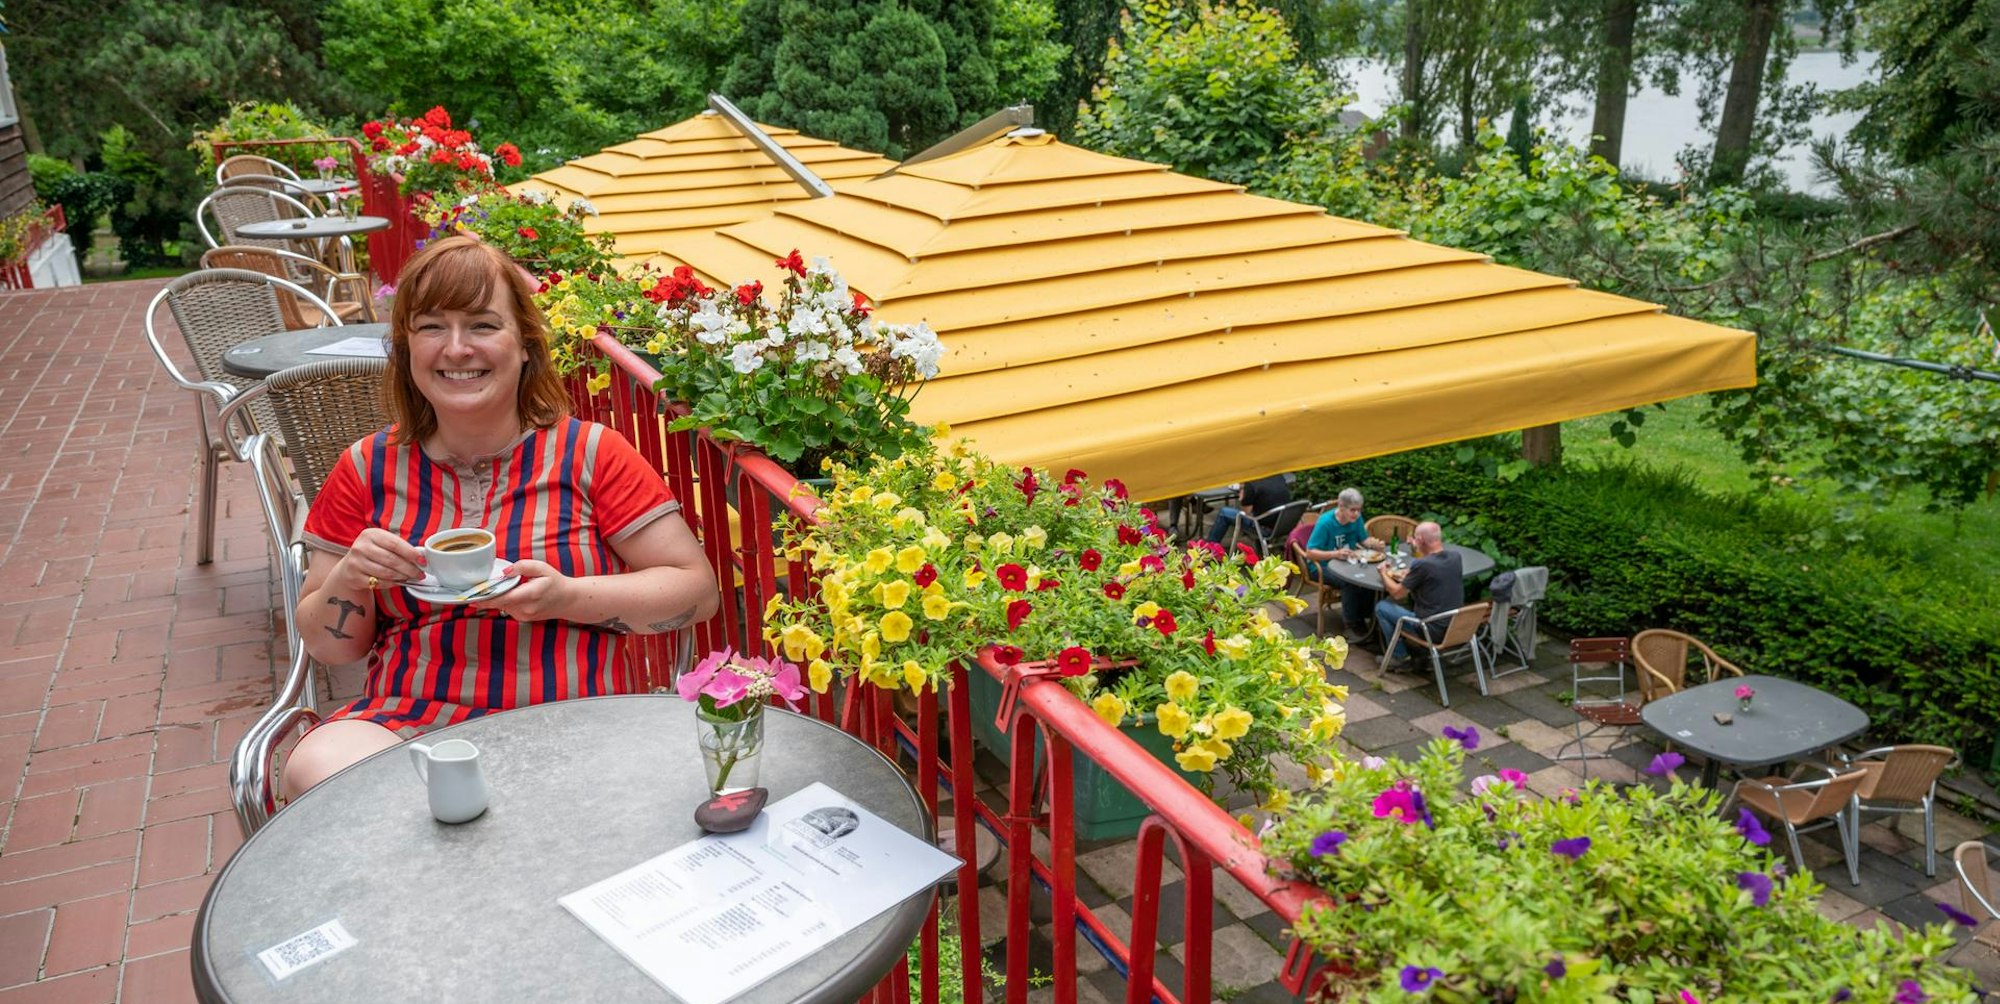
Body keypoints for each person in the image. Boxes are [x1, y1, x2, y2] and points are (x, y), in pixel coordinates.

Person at [284, 234, 720, 795]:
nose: (457, 348)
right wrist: (351, 575)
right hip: (407, 725)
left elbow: (697, 592)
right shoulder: (366, 467)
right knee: (320, 771)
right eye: (432, 326)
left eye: (483, 326)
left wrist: (566, 598)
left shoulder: (592, 454)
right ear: (407, 348)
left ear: (525, 346)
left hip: (577, 716)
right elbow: (330, 647)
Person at [1374, 521, 1463, 666]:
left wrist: (1383, 572)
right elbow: (1433, 573)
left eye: (1414, 538)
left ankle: (1399, 657)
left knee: (1382, 607)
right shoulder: (1455, 557)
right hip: (1456, 625)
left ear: (1420, 540)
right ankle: (1423, 654)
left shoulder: (1422, 565)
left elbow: (1397, 593)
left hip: (1430, 629)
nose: (1412, 542)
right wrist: (1411, 575)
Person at [1297, 488, 1382, 639]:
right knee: (1350, 582)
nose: (1356, 514)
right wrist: (1335, 554)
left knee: (1372, 576)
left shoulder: (1356, 519)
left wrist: (1373, 544)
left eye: (1359, 510)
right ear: (1341, 507)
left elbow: (1363, 540)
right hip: (1322, 566)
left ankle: (1367, 618)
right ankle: (1350, 624)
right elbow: (1310, 553)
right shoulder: (1326, 522)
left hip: (1348, 563)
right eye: (1352, 510)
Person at [1203, 472, 1291, 544]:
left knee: (1224, 512)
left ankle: (1210, 548)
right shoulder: (1277, 475)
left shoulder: (1251, 485)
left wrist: (1243, 497)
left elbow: (1246, 513)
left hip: (1264, 528)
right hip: (1283, 524)